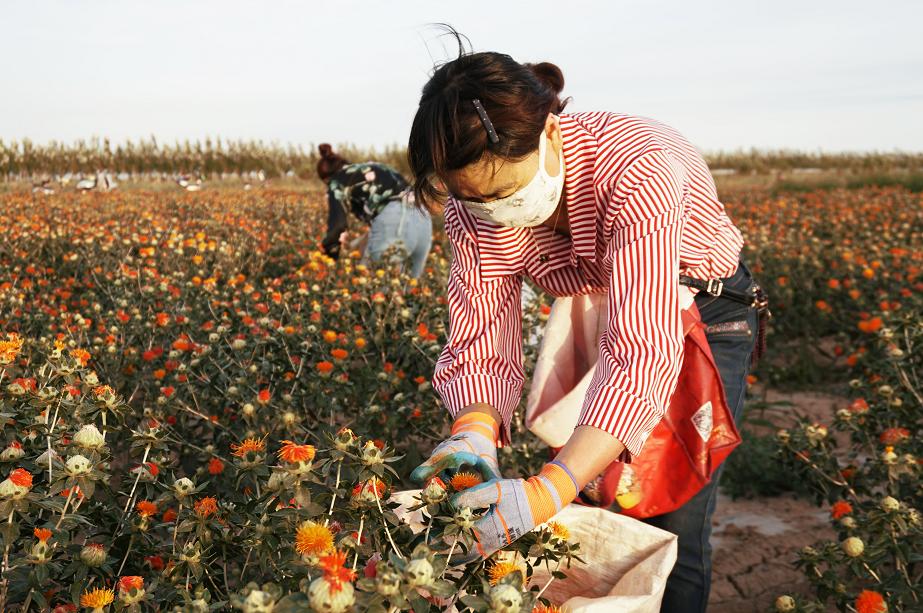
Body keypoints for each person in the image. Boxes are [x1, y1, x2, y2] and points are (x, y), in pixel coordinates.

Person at [407, 48, 767, 613]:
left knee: (666, 522)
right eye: (473, 199)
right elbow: (479, 330)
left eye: (504, 192)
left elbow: (641, 352)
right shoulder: (472, 208)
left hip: (705, 314)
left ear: (550, 132)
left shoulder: (637, 167)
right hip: (602, 309)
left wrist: (550, 488)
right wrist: (473, 429)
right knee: (603, 500)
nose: (495, 213)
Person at [316, 144, 433, 278]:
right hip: (423, 216)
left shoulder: (337, 181)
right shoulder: (371, 168)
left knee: (373, 284)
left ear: (326, 179)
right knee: (409, 289)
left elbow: (338, 226)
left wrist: (329, 257)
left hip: (395, 217)